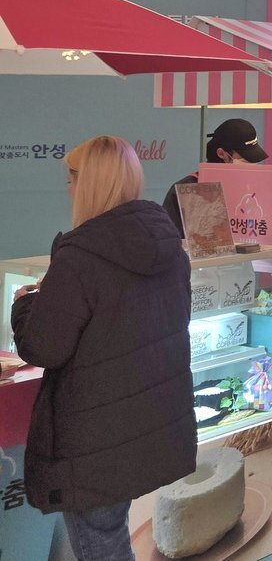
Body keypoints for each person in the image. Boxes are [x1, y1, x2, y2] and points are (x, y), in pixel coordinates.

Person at [10, 136, 195, 560]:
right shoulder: (168, 248)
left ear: (86, 183)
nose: (69, 189)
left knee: (100, 546)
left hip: (93, 438)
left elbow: (42, 347)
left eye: (70, 180)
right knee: (111, 537)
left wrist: (25, 305)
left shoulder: (80, 258)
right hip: (145, 424)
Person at [162, 117, 267, 236]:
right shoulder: (187, 189)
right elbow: (169, 239)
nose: (251, 164)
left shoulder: (254, 188)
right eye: (245, 159)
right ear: (221, 154)